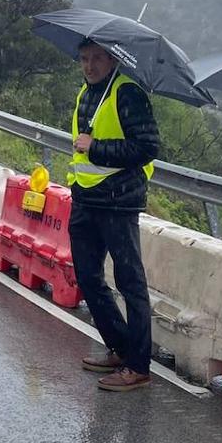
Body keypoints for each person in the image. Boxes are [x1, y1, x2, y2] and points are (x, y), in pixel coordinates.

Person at [68, 38, 160, 392]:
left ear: (113, 59)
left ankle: (138, 366)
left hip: (119, 202)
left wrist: (98, 149)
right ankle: (120, 347)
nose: (89, 66)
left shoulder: (127, 93)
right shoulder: (87, 93)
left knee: (130, 282)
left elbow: (148, 147)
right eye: (84, 59)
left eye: (97, 59)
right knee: (87, 277)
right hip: (87, 199)